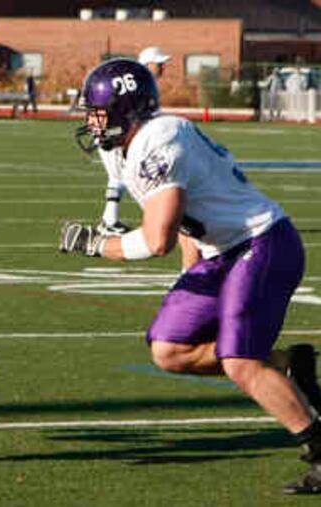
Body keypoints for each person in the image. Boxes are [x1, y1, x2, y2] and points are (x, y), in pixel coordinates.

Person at [61, 58, 321, 495]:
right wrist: (190, 280)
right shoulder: (135, 145)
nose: (91, 121)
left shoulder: (160, 140)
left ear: (126, 110)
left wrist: (94, 244)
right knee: (170, 349)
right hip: (221, 251)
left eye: (98, 112)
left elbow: (157, 237)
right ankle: (286, 364)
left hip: (262, 243)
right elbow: (184, 223)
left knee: (240, 362)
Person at [91, 46, 200, 272]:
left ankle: (109, 221)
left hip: (245, 238)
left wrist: (95, 245)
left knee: (181, 221)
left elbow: (158, 242)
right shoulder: (131, 87)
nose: (162, 67)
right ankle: (109, 220)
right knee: (119, 177)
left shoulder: (154, 135)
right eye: (158, 63)